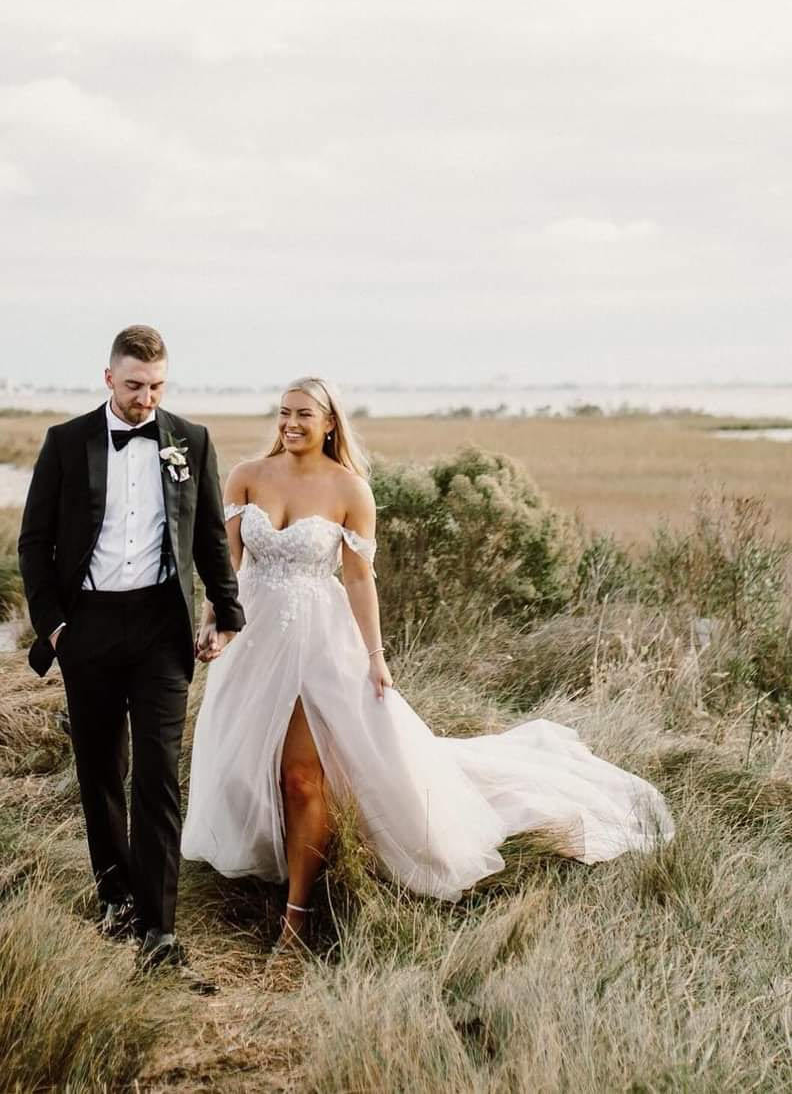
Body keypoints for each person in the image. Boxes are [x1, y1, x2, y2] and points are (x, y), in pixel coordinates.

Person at [182, 376, 674, 948]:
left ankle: (297, 917)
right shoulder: (246, 476)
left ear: (330, 423)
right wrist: (213, 624)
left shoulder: (350, 489)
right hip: (253, 641)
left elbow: (360, 578)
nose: (290, 423)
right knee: (249, 768)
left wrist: (375, 657)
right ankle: (268, 870)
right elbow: (226, 569)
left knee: (299, 777)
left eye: (304, 415)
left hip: (318, 645)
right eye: (284, 412)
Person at [18, 325, 244, 977]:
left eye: (157, 387)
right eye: (135, 385)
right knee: (99, 770)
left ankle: (159, 927)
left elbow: (208, 538)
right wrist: (56, 626)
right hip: (86, 628)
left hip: (159, 630)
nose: (147, 398)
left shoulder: (190, 441)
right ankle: (114, 898)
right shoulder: (65, 443)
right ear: (109, 379)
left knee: (157, 775)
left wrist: (226, 614)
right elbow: (34, 543)